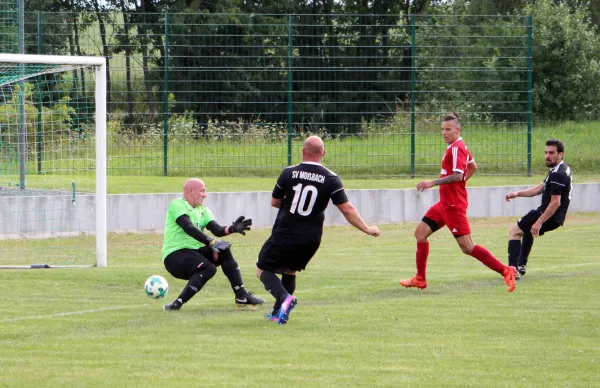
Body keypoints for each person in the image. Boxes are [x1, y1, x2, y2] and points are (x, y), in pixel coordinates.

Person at [256, 135, 381, 324]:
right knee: (290, 271)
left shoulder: (288, 173)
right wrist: (367, 228)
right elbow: (347, 209)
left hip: (286, 231)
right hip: (311, 237)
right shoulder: (331, 179)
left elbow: (275, 202)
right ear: (324, 153)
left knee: (262, 269)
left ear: (302, 151)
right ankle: (277, 314)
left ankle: (284, 298)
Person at [399, 113, 517, 292]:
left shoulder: (456, 148)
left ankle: (505, 271)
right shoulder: (458, 146)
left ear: (457, 130)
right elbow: (472, 167)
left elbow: (458, 175)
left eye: (448, 129)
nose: (444, 133)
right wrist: (460, 185)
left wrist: (433, 182)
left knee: (468, 247)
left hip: (453, 206)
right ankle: (420, 278)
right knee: (420, 234)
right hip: (444, 204)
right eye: (442, 129)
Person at [161, 178, 265, 311]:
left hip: (194, 253)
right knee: (209, 268)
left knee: (224, 250)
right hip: (174, 256)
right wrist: (210, 241)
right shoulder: (177, 204)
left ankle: (241, 295)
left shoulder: (203, 210)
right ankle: (176, 304)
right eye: (202, 191)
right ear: (190, 191)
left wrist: (232, 228)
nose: (205, 195)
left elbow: (217, 229)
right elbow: (188, 227)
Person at [505, 139, 572, 279]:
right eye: (546, 152)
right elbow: (540, 188)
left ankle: (512, 270)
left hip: (548, 213)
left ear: (560, 154)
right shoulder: (560, 168)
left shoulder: (557, 174)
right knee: (528, 230)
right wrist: (518, 193)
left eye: (551, 153)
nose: (547, 155)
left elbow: (555, 203)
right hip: (556, 217)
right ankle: (521, 265)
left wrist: (540, 221)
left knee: (515, 232)